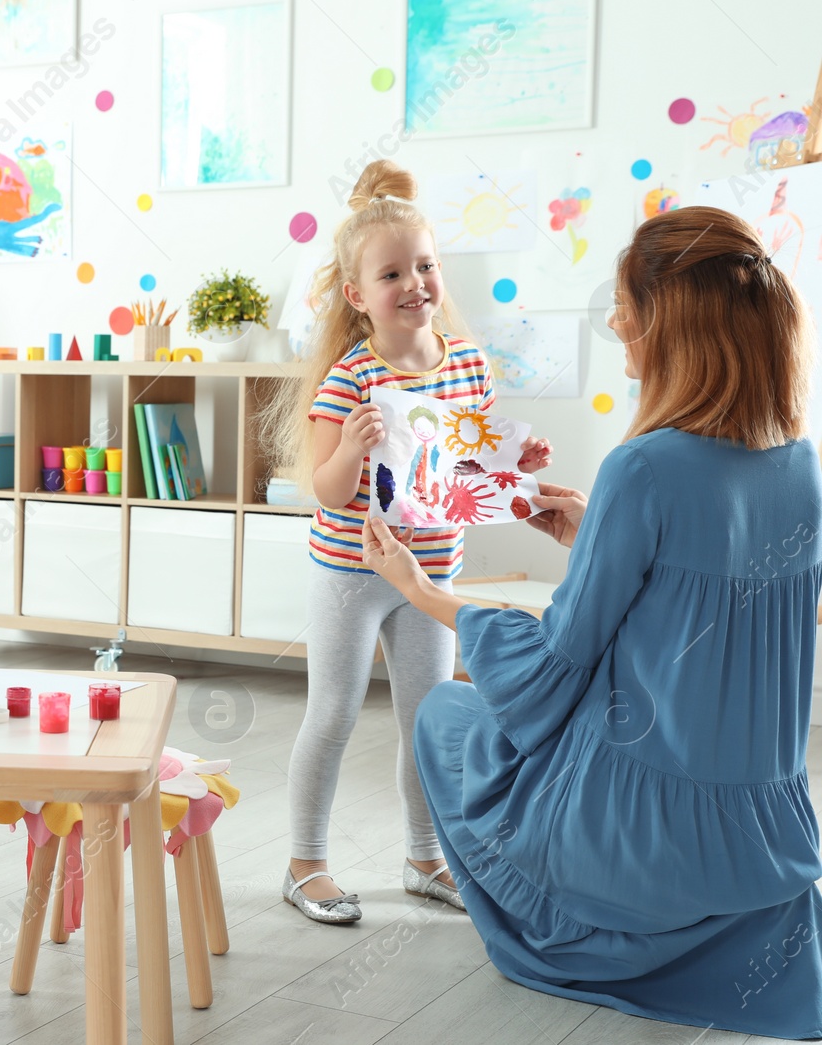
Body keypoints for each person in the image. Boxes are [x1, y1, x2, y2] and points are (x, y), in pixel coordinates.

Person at [361, 206, 822, 1039]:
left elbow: (552, 666)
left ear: (670, 327)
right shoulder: (800, 467)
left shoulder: (642, 469)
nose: (616, 325)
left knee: (446, 715)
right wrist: (592, 540)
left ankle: (573, 934)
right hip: (757, 842)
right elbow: (696, 626)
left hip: (637, 837)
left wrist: (422, 588)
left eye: (626, 309)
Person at [259, 159, 551, 924]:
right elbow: (324, 490)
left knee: (429, 716)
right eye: (394, 273)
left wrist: (519, 463)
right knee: (335, 712)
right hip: (352, 572)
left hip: (431, 570)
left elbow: (476, 463)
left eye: (426, 265)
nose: (416, 283)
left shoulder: (467, 366)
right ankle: (305, 863)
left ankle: (426, 857)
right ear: (358, 295)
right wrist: (352, 448)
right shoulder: (350, 377)